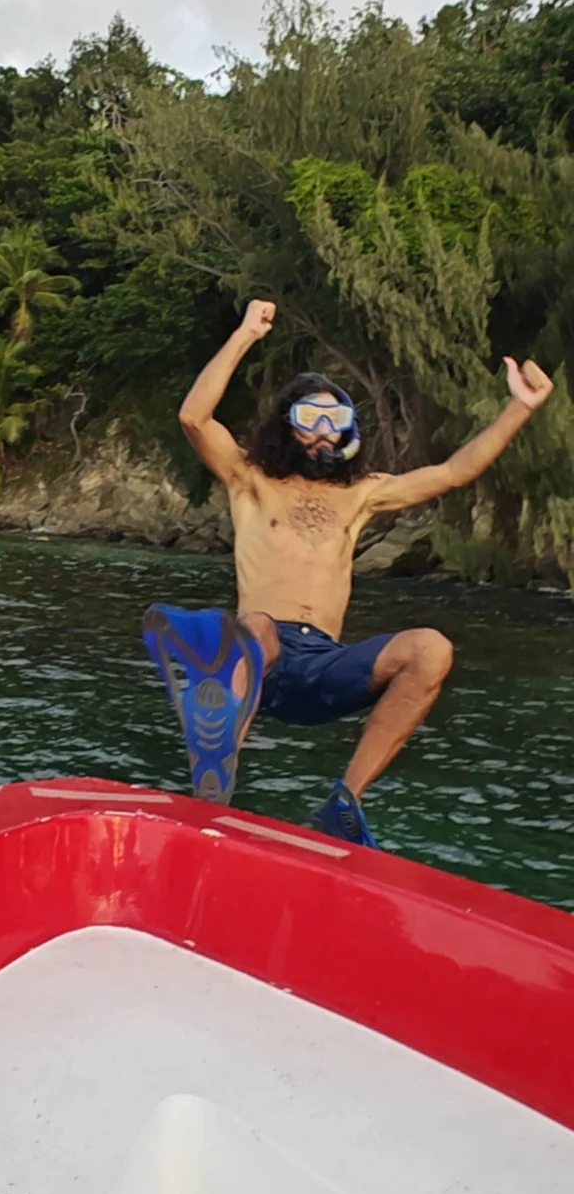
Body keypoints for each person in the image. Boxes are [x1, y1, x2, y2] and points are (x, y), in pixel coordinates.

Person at [142, 298, 554, 846]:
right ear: (287, 426)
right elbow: (194, 418)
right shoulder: (250, 478)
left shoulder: (362, 495)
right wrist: (244, 334)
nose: (323, 433)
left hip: (326, 663)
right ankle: (215, 785)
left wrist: (520, 409)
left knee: (430, 648)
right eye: (310, 419)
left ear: (348, 431)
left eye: (335, 421)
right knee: (258, 626)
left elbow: (455, 471)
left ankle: (346, 800)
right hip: (263, 655)